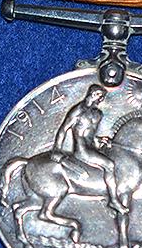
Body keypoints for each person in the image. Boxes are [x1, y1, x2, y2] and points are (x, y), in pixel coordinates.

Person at [52, 85, 127, 214]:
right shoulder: (78, 111)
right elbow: (64, 130)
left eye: (103, 97)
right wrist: (57, 149)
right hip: (82, 151)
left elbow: (89, 134)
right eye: (100, 96)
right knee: (109, 164)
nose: (101, 99)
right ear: (92, 94)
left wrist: (100, 140)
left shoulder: (98, 113)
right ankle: (113, 200)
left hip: (92, 147)